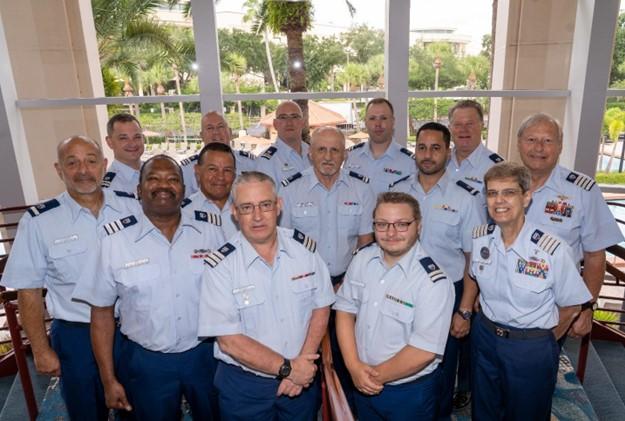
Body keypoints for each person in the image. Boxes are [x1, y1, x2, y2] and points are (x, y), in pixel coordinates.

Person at [74, 155, 225, 420]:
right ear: (138, 189)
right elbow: (101, 314)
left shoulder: (210, 231)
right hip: (146, 362)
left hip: (205, 355)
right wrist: (108, 379)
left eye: (172, 179)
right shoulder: (114, 240)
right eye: (153, 178)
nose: (163, 185)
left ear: (184, 188)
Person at [1, 135, 141, 420]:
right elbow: (29, 290)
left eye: (91, 161)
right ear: (58, 169)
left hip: (132, 331)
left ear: (103, 165)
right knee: (86, 411)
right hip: (78, 335)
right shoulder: (40, 221)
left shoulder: (133, 208)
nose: (83, 170)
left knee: (137, 406)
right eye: (72, 163)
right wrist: (40, 349)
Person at [459, 162, 591, 420]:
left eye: (508, 192)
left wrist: (545, 344)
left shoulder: (552, 250)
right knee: (484, 410)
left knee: (526, 414)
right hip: (485, 338)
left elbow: (572, 305)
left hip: (530, 346)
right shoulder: (480, 238)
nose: (499, 201)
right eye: (492, 193)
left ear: (526, 197)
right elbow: (474, 277)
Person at [197, 171, 335, 420]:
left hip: (301, 379)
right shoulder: (221, 265)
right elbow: (230, 341)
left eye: (265, 205)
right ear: (235, 213)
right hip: (246, 388)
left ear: (278, 206)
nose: (258, 216)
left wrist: (302, 364)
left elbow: (321, 307)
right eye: (247, 208)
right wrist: (288, 369)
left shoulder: (305, 250)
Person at [389, 122, 485, 419]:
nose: (427, 154)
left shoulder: (466, 197)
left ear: (448, 151)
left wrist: (465, 309)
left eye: (435, 148)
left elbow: (474, 259)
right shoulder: (397, 192)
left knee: (441, 367)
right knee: (399, 357)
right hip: (400, 288)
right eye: (421, 147)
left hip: (448, 293)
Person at [334, 192, 454, 420]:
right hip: (361, 379)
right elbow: (345, 310)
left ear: (418, 226)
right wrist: (353, 366)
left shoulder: (433, 281)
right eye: (382, 224)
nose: (391, 233)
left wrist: (370, 377)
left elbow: (423, 351)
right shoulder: (362, 260)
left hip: (408, 391)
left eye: (401, 224)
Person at [279, 126, 375, 410]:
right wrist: (315, 283)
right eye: (321, 149)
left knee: (347, 355)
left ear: (345, 154)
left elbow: (367, 244)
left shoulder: (361, 188)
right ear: (310, 154)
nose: (328, 156)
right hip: (303, 285)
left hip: (347, 284)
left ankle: (346, 410)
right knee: (304, 352)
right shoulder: (291, 189)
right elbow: (285, 246)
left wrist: (346, 282)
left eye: (335, 150)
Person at [517, 113, 624, 338]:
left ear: (560, 146)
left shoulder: (582, 191)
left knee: (541, 370)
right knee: (487, 370)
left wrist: (587, 307)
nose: (538, 148)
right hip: (500, 306)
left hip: (554, 311)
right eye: (531, 139)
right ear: (519, 142)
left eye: (547, 140)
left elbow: (595, 255)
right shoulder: (502, 184)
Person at [344, 98, 416, 195]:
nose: (378, 124)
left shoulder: (410, 163)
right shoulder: (350, 157)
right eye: (372, 118)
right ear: (365, 122)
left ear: (393, 121)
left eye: (383, 118)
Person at [181, 111, 256, 196]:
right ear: (201, 136)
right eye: (210, 128)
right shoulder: (186, 169)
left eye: (220, 127)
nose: (216, 132)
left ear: (230, 132)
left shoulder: (251, 164)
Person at [447, 100, 504, 198]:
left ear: (482, 125)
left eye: (470, 124)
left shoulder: (498, 168)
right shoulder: (439, 162)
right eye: (457, 125)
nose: (463, 129)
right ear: (450, 128)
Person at [183, 142, 239, 239]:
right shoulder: (183, 213)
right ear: (197, 171)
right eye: (212, 169)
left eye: (227, 170)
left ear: (234, 174)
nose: (220, 177)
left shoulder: (247, 209)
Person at [256, 101, 312, 183]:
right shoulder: (265, 162)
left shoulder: (313, 152)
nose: (289, 123)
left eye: (295, 116)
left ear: (303, 122)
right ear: (275, 124)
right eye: (283, 117)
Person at [102, 113, 145, 193]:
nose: (132, 144)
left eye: (137, 137)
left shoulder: (154, 170)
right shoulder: (109, 189)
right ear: (109, 142)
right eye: (123, 138)